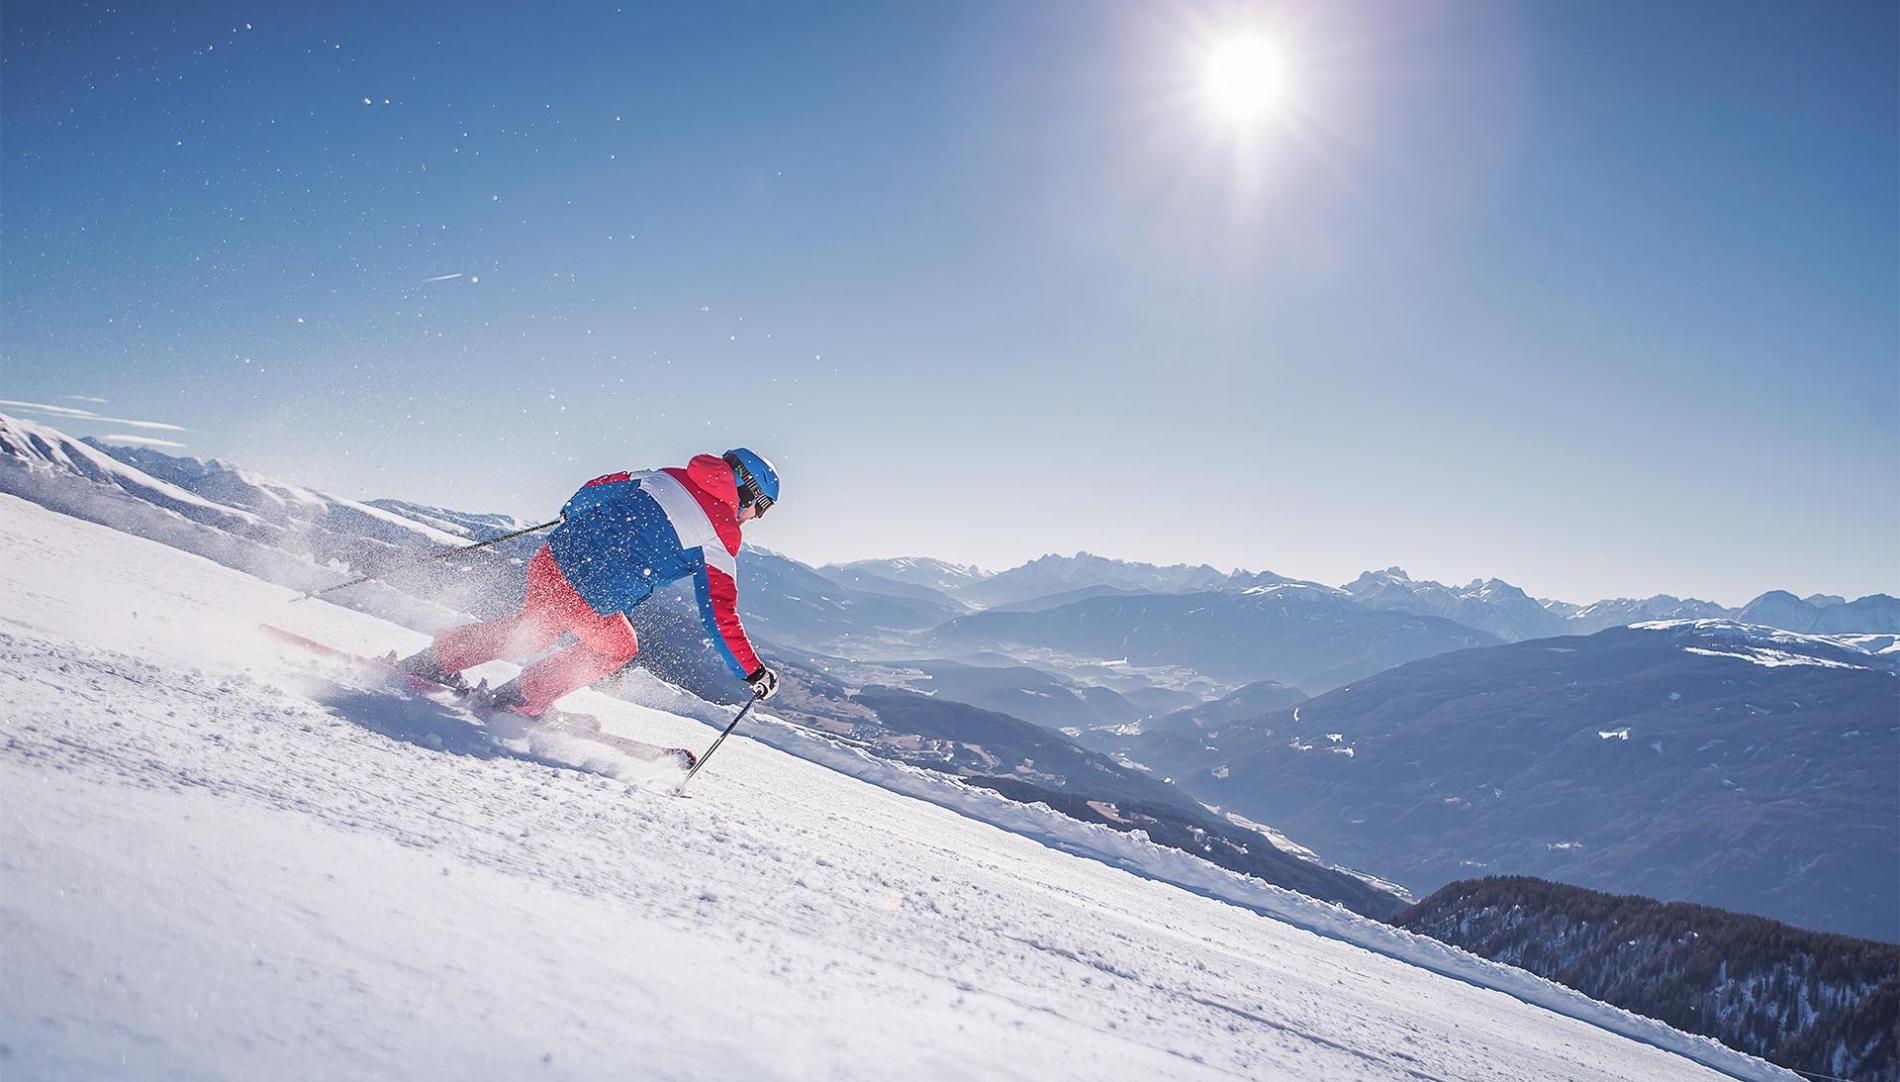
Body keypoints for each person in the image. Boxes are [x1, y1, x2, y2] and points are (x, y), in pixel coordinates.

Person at [399, 449, 782, 716]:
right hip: (590, 596)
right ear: (746, 490)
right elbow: (720, 616)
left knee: (534, 631)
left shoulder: (667, 476)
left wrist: (572, 513)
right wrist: (752, 671)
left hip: (553, 559)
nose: (754, 518)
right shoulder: (720, 537)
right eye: (760, 508)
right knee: (617, 647)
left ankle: (436, 660)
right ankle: (520, 699)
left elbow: (599, 487)